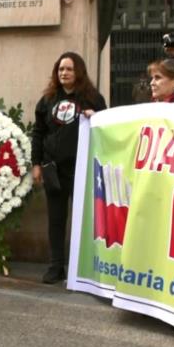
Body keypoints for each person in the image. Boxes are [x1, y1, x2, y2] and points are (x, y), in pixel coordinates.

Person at [32, 52, 107, 284]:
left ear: (79, 72)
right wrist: (36, 164)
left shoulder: (92, 99)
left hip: (81, 169)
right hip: (53, 169)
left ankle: (82, 266)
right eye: (60, 69)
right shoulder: (47, 100)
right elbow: (38, 132)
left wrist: (95, 117)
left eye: (69, 69)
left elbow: (106, 127)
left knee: (83, 219)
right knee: (56, 219)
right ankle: (56, 266)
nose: (64, 73)